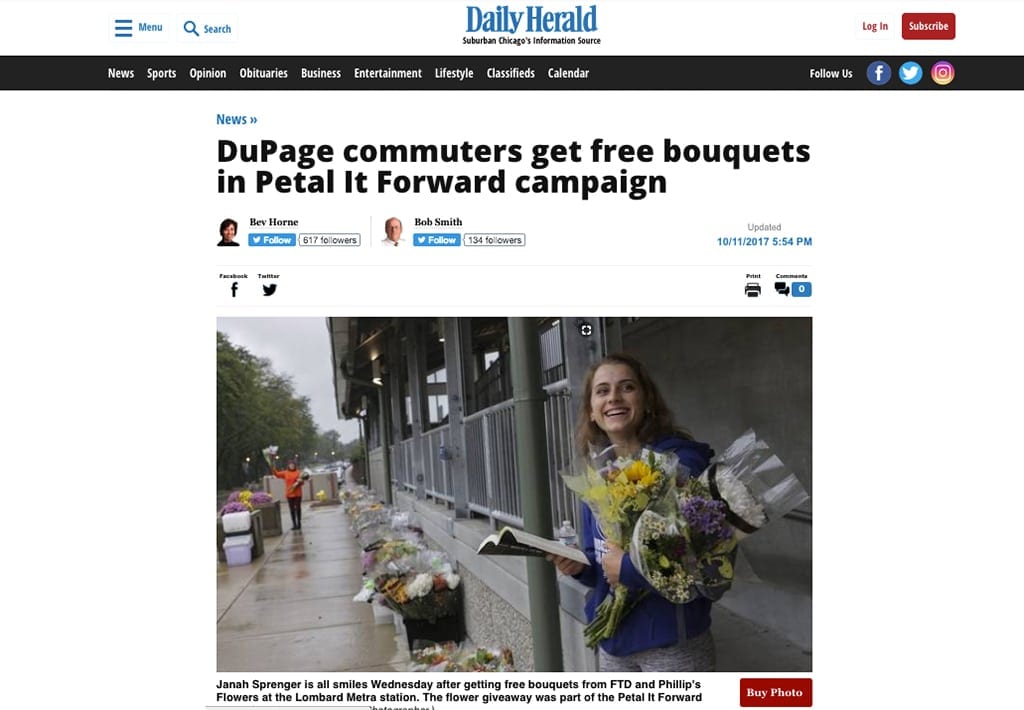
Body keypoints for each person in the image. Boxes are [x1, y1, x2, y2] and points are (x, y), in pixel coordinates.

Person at [547, 352, 717, 672]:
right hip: (614, 642)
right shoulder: (597, 477)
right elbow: (601, 561)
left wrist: (628, 569)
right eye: (602, 391)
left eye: (626, 387)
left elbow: (694, 556)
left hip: (671, 642)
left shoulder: (681, 463)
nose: (613, 397)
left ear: (647, 400)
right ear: (592, 412)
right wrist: (578, 566)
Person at [271, 458, 304, 531]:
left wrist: (300, 481)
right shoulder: (285, 473)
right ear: (288, 466)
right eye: (290, 465)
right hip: (289, 494)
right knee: (292, 509)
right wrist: (273, 467)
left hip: (298, 494)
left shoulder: (298, 472)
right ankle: (294, 524)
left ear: (295, 466)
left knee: (298, 508)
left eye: (293, 465)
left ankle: (299, 523)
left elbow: (302, 482)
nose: (292, 466)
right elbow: (277, 474)